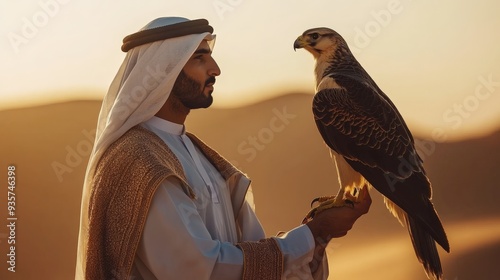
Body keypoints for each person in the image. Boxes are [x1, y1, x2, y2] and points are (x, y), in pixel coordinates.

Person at [75, 17, 371, 280]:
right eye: (200, 59)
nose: (215, 69)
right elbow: (197, 269)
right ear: (163, 70)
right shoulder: (138, 160)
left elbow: (256, 260)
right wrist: (313, 233)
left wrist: (318, 237)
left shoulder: (204, 160)